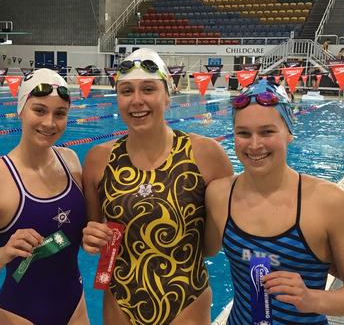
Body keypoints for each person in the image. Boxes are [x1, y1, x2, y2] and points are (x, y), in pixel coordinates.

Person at [81, 48, 233, 325]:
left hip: (186, 300)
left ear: (168, 94)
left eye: (148, 89)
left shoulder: (207, 156)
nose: (137, 101)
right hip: (119, 300)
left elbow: (212, 248)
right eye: (126, 91)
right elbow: (95, 238)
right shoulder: (98, 160)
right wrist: (91, 239)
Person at [204, 80, 344, 324]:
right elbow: (203, 251)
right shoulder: (219, 194)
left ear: (289, 133)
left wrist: (312, 298)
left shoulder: (330, 203)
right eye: (243, 133)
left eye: (267, 132)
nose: (254, 145)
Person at [0, 68, 89, 325]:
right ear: (21, 110)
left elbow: (78, 238)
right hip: (19, 314)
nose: (49, 123)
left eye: (59, 114)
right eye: (39, 110)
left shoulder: (71, 162)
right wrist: (4, 253)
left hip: (76, 307)